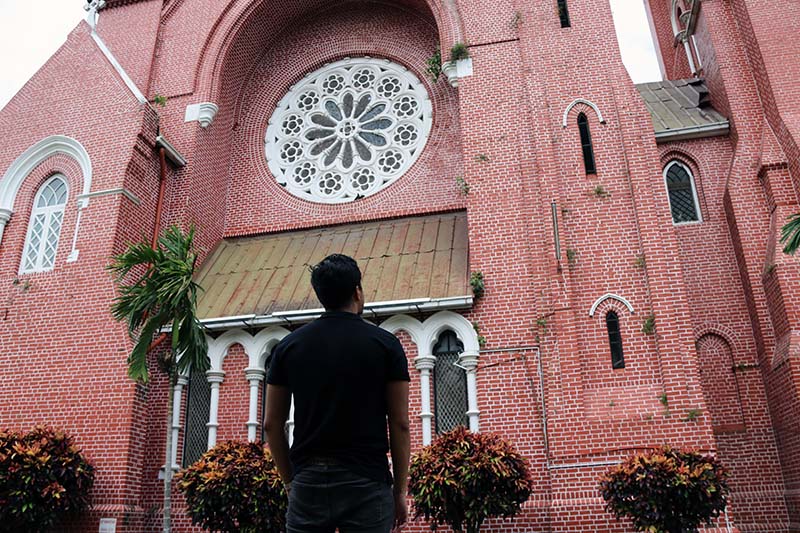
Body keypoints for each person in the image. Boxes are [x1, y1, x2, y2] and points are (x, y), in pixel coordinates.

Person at [265, 253, 411, 533]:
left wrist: (289, 482)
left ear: (321, 296)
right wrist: (399, 492)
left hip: (308, 483)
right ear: (357, 291)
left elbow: (272, 425)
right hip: (367, 483)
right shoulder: (386, 345)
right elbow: (400, 424)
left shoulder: (288, 347)